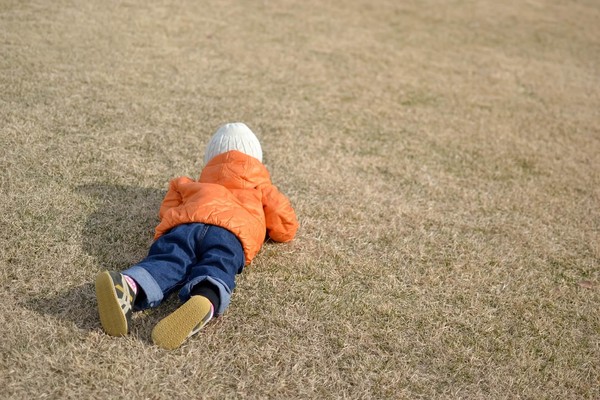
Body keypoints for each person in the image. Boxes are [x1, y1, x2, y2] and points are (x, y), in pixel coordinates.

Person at [94, 122, 299, 350]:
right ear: (257, 160)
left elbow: (168, 207)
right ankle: (205, 297)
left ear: (211, 159)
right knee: (219, 264)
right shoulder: (262, 189)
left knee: (167, 259)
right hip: (230, 234)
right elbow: (285, 228)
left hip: (188, 224)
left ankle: (130, 284)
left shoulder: (193, 184)